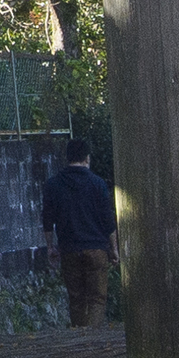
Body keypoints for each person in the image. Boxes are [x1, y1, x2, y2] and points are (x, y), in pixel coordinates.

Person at [41, 138, 119, 327]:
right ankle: (92, 340)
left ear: (67, 158)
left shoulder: (53, 185)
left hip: (69, 250)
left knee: (76, 299)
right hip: (96, 249)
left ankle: (79, 337)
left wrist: (50, 246)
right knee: (97, 299)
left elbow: (47, 220)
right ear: (87, 158)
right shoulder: (98, 184)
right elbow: (108, 220)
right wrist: (114, 248)